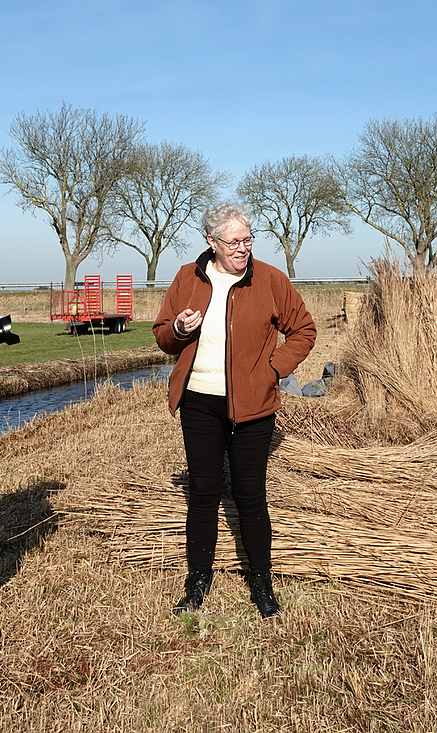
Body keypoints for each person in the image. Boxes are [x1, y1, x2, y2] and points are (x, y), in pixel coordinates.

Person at [153, 203, 316, 618]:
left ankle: (262, 581)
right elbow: (161, 335)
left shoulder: (270, 280)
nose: (243, 248)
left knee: (250, 495)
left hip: (253, 405)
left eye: (248, 239)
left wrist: (274, 369)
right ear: (212, 242)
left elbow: (303, 330)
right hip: (199, 403)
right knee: (204, 493)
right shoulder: (187, 278)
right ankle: (197, 580)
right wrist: (177, 330)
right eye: (234, 241)